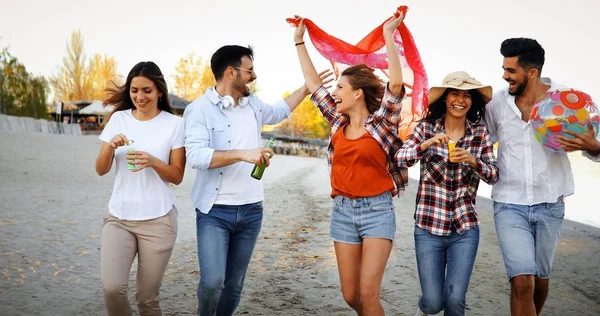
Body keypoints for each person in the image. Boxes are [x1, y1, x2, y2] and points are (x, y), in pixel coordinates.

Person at [292, 10, 408, 315]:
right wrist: (299, 42)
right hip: (342, 211)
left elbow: (395, 84)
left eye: (340, 88)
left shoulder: (383, 123)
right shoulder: (335, 121)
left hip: (378, 211)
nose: (334, 92)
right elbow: (313, 84)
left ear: (357, 94)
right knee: (350, 294)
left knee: (369, 294)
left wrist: (387, 36)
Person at [183, 45, 312, 316]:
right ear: (231, 72)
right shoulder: (199, 110)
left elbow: (278, 112)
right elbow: (196, 156)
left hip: (252, 210)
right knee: (212, 283)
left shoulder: (252, 104)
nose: (254, 76)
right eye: (249, 70)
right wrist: (245, 154)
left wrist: (306, 89)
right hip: (214, 211)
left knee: (234, 286)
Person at [485, 38, 600, 316]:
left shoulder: (570, 100)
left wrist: (594, 146)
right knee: (522, 280)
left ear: (532, 72)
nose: (505, 76)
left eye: (511, 70)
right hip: (509, 203)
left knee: (540, 278)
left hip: (551, 203)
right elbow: (482, 142)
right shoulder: (497, 103)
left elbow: (595, 144)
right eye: (504, 68)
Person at [395, 71, 499, 316]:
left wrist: (474, 161)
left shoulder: (479, 133)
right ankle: (425, 308)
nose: (460, 100)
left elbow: (494, 174)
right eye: (455, 93)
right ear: (445, 98)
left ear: (472, 102)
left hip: (465, 227)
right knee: (433, 303)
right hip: (428, 226)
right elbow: (400, 158)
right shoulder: (426, 128)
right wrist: (426, 144)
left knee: (454, 300)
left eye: (466, 95)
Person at [95, 61, 186, 316]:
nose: (139, 96)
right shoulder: (118, 119)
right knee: (112, 289)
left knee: (147, 300)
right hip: (119, 218)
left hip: (158, 220)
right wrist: (110, 146)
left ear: (159, 91)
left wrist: (154, 162)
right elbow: (100, 169)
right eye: (134, 90)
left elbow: (177, 176)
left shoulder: (174, 125)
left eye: (146, 90)